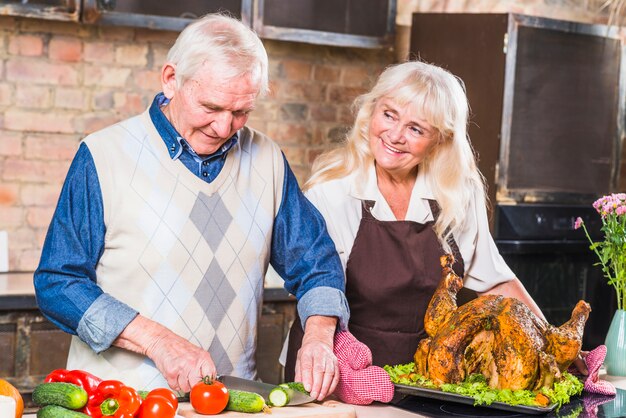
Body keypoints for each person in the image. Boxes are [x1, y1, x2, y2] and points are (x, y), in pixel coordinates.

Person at [34, 13, 349, 399]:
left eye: (240, 112)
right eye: (211, 107)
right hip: (116, 402)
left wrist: (319, 334)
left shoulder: (267, 159)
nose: (223, 127)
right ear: (171, 79)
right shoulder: (103, 155)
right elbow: (58, 282)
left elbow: (316, 262)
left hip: (229, 401)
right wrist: (157, 341)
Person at [285, 60, 587, 380]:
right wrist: (330, 349)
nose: (395, 135)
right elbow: (318, 285)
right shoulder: (331, 192)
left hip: (424, 376)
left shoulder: (457, 193)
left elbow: (495, 281)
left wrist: (552, 343)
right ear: (371, 111)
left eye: (416, 129)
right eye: (389, 114)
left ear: (439, 140)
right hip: (336, 370)